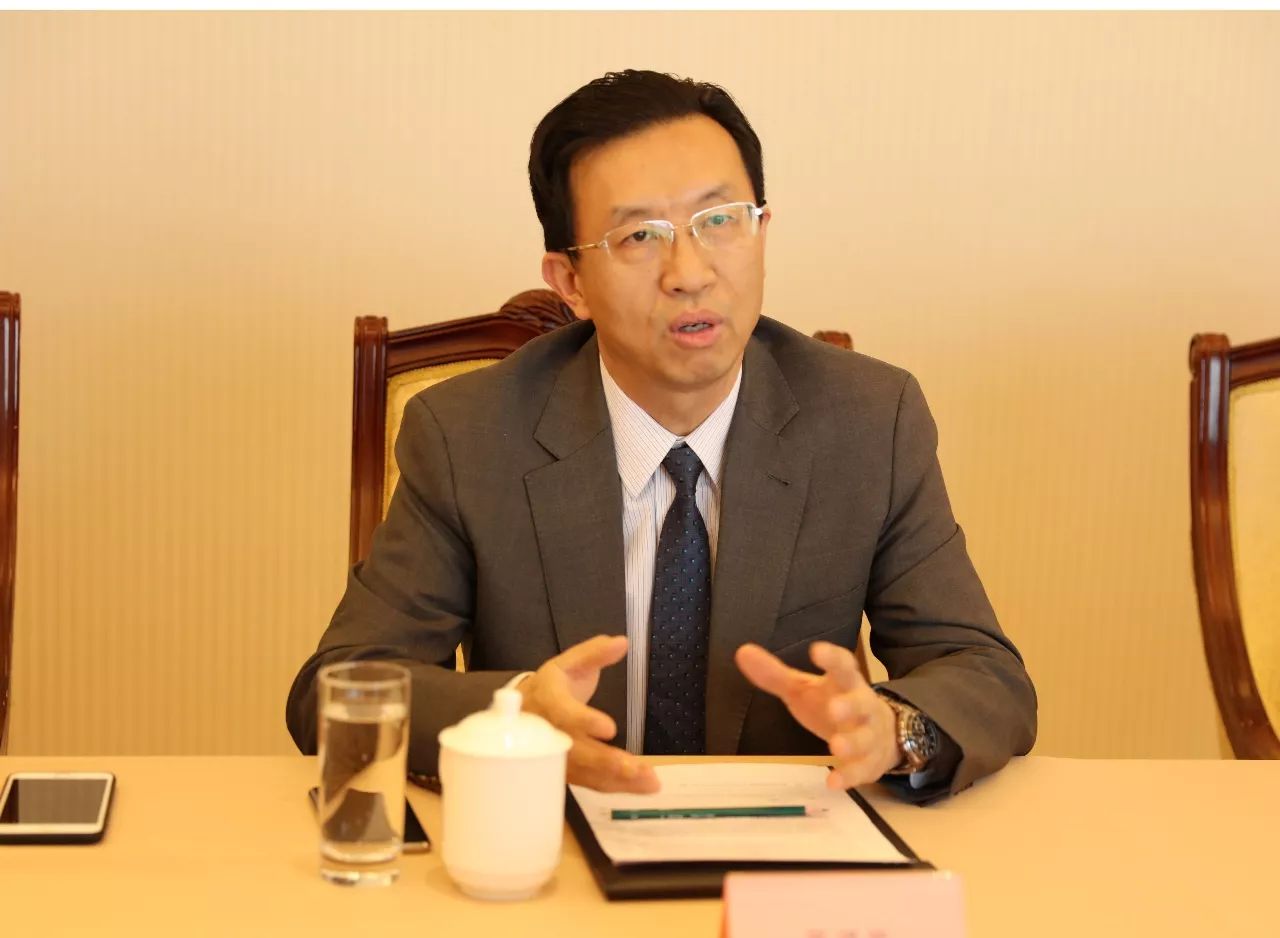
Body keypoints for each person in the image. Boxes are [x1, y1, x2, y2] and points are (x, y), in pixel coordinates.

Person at [287, 69, 1036, 804]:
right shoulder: (469, 436)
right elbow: (335, 689)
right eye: (640, 235)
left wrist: (897, 729)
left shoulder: (869, 421)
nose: (690, 273)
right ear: (570, 282)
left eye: (721, 220)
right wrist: (512, 710)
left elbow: (984, 673)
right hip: (554, 846)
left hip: (785, 851)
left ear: (762, 232)